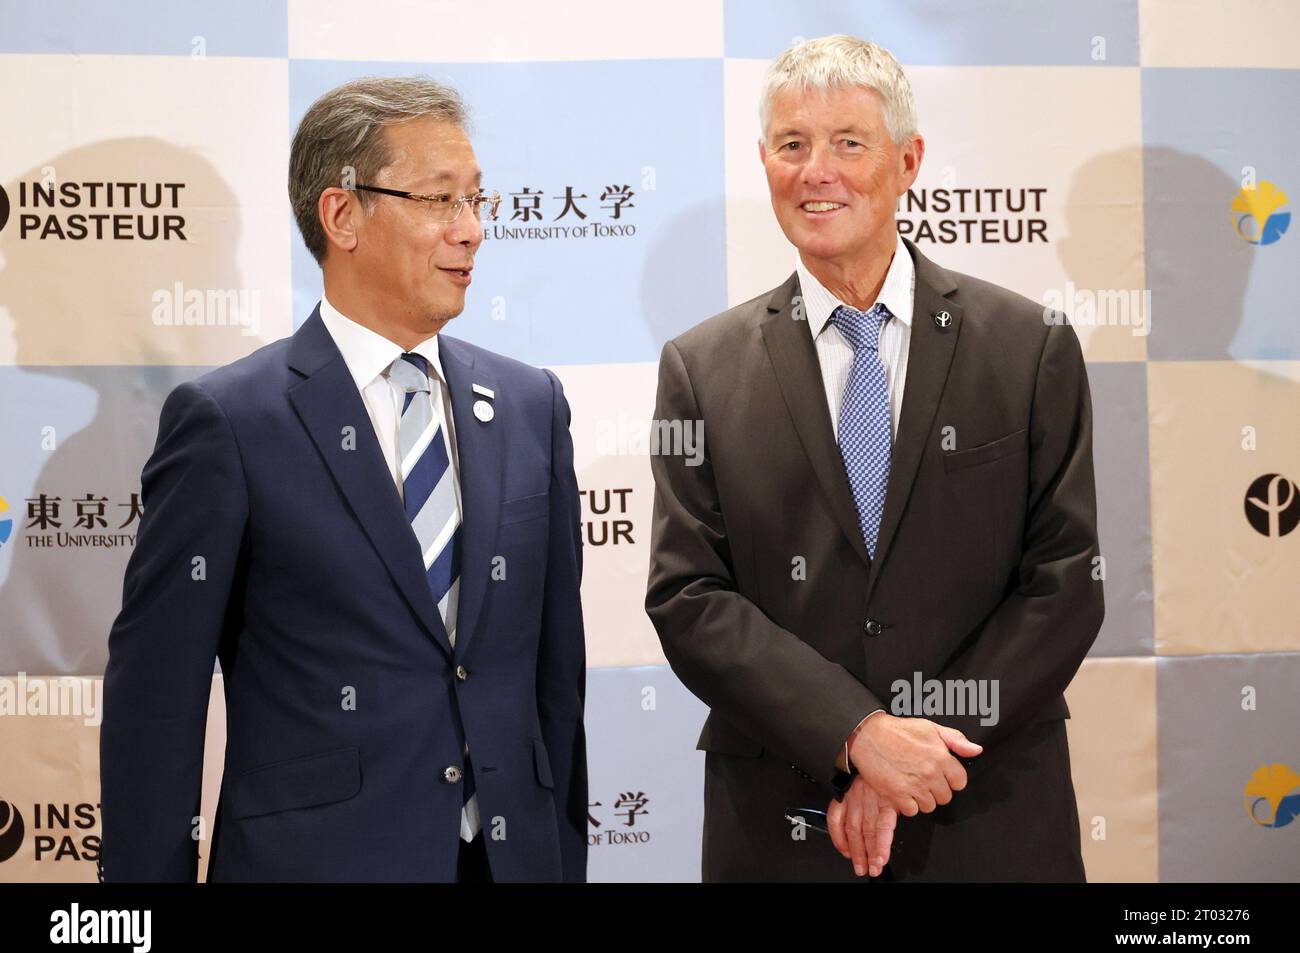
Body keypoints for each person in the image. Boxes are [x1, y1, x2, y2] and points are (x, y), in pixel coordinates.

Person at [100, 76, 588, 883]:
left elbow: (554, 685)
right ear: (342, 215)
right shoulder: (230, 421)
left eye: (476, 200)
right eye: (439, 200)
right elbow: (158, 701)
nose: (469, 231)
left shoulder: (532, 403)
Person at [645, 35, 1103, 882]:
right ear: (764, 163)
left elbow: (1067, 581)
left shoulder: (1027, 346)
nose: (818, 169)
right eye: (792, 145)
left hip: (987, 804)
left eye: (849, 142)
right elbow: (689, 595)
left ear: (908, 160)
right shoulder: (700, 368)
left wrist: (914, 756)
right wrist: (857, 735)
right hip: (783, 816)